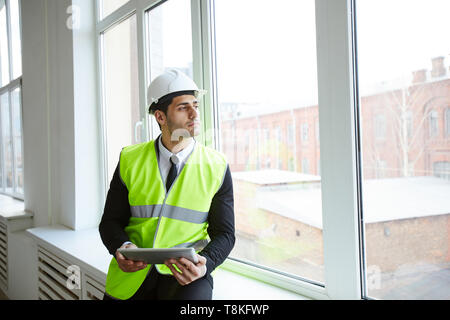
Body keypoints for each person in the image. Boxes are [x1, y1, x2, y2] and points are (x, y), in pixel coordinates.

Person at [99, 69, 235, 300]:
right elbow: (110, 222)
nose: (195, 114)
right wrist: (121, 247)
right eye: (183, 108)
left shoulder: (217, 165)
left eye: (195, 105)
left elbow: (225, 234)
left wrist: (206, 264)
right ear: (160, 117)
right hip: (134, 274)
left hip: (187, 277)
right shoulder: (129, 159)